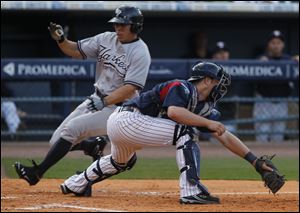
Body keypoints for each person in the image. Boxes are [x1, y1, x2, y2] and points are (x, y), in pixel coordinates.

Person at [60, 62, 284, 204]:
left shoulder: (203, 107)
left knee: (120, 162)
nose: (219, 87)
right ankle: (190, 190)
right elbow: (175, 112)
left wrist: (254, 161)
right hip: (128, 119)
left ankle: (75, 184)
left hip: (127, 125)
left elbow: (223, 133)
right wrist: (207, 124)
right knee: (185, 132)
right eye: (216, 81)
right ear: (206, 80)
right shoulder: (182, 86)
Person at [14, 6, 151, 186]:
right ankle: (90, 146)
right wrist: (61, 40)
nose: (118, 28)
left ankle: (37, 172)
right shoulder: (106, 39)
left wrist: (104, 102)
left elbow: (130, 87)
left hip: (120, 109)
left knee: (72, 129)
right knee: (56, 140)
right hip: (97, 99)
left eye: (123, 25)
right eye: (116, 24)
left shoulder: (140, 51)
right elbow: (75, 50)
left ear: (135, 27)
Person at [253, 30, 295, 142]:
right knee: (261, 137)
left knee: (278, 138)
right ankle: (262, 159)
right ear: (269, 45)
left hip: (281, 102)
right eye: (273, 43)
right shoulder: (262, 59)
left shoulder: (289, 60)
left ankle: (274, 159)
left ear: (283, 45)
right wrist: (260, 63)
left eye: (278, 43)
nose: (276, 45)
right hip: (263, 101)